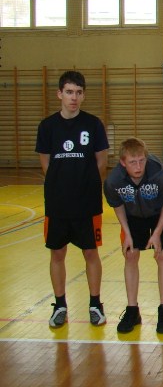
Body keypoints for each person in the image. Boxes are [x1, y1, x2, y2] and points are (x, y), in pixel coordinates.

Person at [35, 70, 109, 328]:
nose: (73, 97)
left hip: (87, 203)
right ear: (60, 94)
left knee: (91, 252)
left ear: (83, 95)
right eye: (69, 92)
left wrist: (85, 185)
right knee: (57, 253)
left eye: (78, 92)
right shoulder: (47, 126)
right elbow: (46, 163)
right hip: (57, 203)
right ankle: (60, 305)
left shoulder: (93, 124)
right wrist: (61, 185)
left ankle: (95, 304)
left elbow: (102, 161)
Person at [103, 138, 163, 334]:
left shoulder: (160, 174)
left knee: (162, 255)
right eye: (132, 162)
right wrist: (127, 233)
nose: (138, 167)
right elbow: (117, 206)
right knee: (130, 255)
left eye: (141, 161)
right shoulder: (114, 181)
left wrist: (157, 233)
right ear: (123, 162)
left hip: (158, 213)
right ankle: (132, 310)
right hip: (132, 215)